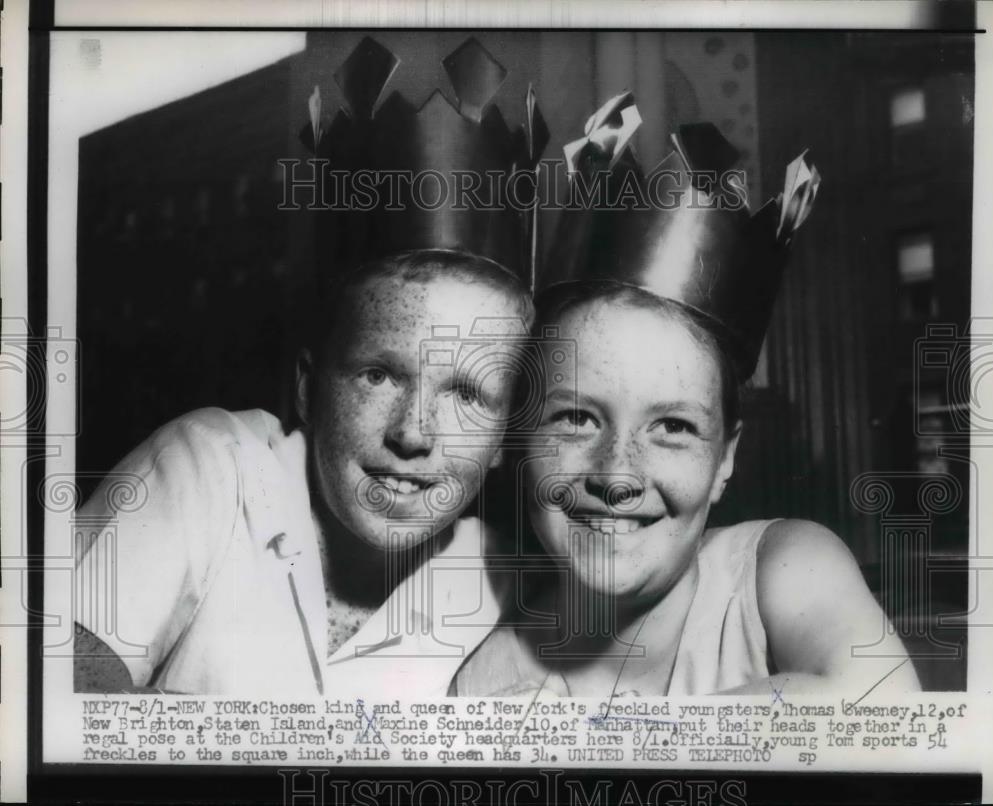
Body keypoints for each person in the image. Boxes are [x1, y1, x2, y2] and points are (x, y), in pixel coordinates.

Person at [73, 36, 546, 696]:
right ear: (307, 385)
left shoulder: (510, 595)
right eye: (379, 374)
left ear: (502, 434)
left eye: (467, 393)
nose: (414, 434)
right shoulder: (210, 468)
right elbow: (56, 721)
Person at [452, 94, 921, 697]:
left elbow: (887, 716)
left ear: (725, 457)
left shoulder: (783, 568)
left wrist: (584, 744)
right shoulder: (485, 684)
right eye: (576, 418)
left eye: (672, 426)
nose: (617, 476)